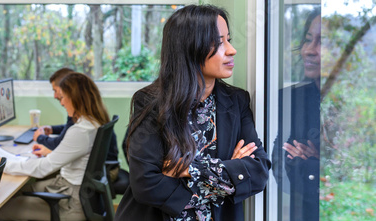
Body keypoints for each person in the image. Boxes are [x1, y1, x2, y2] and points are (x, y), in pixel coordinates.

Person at [115, 5, 271, 221]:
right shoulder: (150, 102)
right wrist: (226, 178)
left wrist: (191, 169)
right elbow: (146, 184)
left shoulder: (237, 101)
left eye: (229, 39)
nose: (231, 50)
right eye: (218, 42)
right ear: (188, 48)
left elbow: (258, 172)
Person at [0, 73, 110, 220]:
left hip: (70, 203)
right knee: (15, 192)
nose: (61, 103)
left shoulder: (80, 131)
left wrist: (3, 164)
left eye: (63, 97)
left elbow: (43, 168)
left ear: (75, 98)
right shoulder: (93, 123)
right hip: (72, 190)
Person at [272, 8, 321, 221]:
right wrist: (318, 163)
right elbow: (280, 170)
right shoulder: (291, 99)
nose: (309, 50)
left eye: (322, 42)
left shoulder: (361, 106)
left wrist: (310, 164)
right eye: (308, 39)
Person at [33, 68, 119, 180]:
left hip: (103, 172)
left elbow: (59, 142)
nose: (55, 96)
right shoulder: (91, 113)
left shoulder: (81, 122)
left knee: (42, 176)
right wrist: (53, 130)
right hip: (103, 169)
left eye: (55, 90)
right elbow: (68, 130)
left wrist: (40, 138)